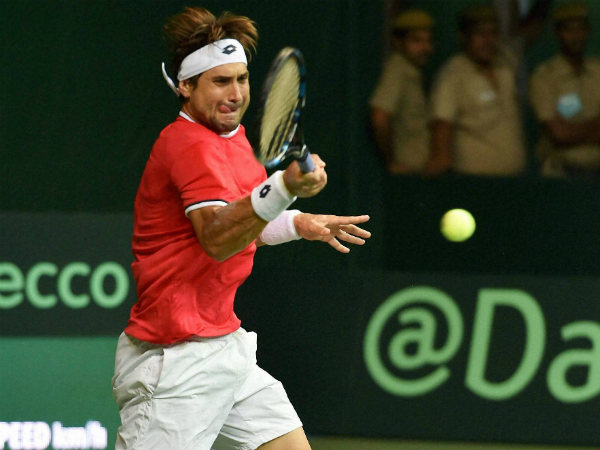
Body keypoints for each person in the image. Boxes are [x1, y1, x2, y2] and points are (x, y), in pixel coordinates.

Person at [111, 6, 371, 450]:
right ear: (186, 87)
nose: (235, 93)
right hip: (175, 361)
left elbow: (250, 217)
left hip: (225, 344)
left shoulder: (231, 138)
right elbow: (217, 238)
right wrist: (287, 187)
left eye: (242, 79)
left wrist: (299, 222)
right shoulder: (186, 144)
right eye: (220, 81)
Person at [425, 3, 527, 176]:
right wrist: (441, 159)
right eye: (480, 34)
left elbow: (527, 34)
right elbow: (442, 122)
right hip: (474, 184)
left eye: (493, 33)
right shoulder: (453, 74)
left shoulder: (505, 65)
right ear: (464, 37)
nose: (488, 40)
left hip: (513, 182)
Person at [529, 1, 600, 177]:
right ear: (557, 33)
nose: (577, 36)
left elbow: (566, 133)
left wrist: (573, 130)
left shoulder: (598, 71)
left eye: (581, 28)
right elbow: (558, 135)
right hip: (560, 174)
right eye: (569, 30)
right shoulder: (545, 76)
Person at [369, 9, 434, 174]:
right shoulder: (397, 69)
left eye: (428, 40)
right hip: (406, 172)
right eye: (417, 41)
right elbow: (379, 118)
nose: (425, 47)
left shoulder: (413, 72)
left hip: (419, 170)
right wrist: (392, 162)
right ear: (398, 42)